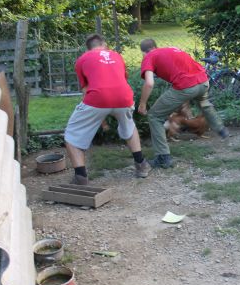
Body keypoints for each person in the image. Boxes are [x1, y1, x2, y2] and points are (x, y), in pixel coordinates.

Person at [64, 34, 150, 185]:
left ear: (88, 48)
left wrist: (100, 118)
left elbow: (86, 89)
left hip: (97, 98)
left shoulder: (82, 59)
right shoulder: (116, 55)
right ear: (105, 45)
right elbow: (120, 80)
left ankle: (80, 177)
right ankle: (141, 165)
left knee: (72, 135)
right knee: (129, 127)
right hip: (124, 97)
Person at [137, 39, 229, 168]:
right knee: (203, 102)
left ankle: (163, 157)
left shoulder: (149, 56)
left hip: (186, 86)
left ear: (144, 52)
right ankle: (220, 129)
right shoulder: (171, 49)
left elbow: (149, 83)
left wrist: (142, 104)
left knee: (154, 116)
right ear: (155, 46)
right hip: (203, 81)